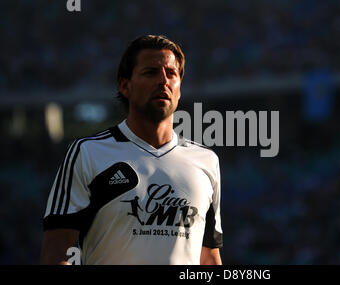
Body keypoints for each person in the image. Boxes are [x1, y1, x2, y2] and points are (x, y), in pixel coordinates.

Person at [40, 35, 223, 265]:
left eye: (171, 73)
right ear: (125, 86)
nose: (163, 81)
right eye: (151, 72)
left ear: (179, 86)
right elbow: (56, 253)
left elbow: (208, 257)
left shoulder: (206, 161)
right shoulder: (87, 153)